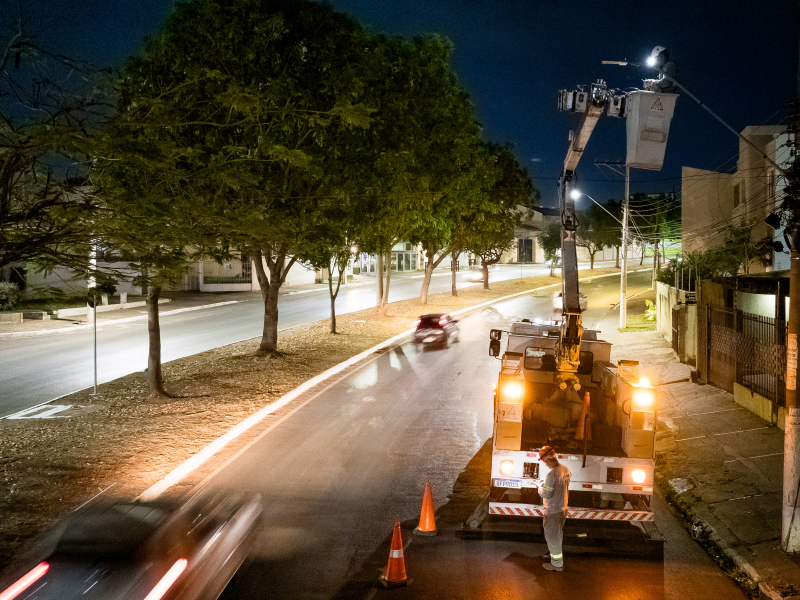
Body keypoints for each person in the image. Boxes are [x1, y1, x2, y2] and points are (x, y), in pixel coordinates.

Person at [537, 445, 571, 572]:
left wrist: (540, 487)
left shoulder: (551, 474)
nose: (544, 463)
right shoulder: (565, 469)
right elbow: (561, 484)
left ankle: (556, 564)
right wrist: (546, 482)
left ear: (547, 459)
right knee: (557, 536)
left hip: (553, 510)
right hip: (563, 508)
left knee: (553, 538)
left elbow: (546, 494)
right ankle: (555, 558)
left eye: (543, 461)